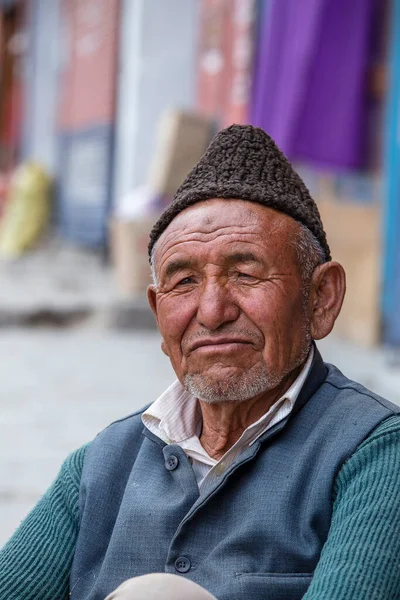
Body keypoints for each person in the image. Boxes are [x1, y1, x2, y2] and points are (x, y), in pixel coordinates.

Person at [1, 125, 400, 600]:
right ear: (157, 312)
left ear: (320, 298)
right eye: (184, 281)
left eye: (246, 273)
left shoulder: (374, 455)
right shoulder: (103, 464)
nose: (212, 311)